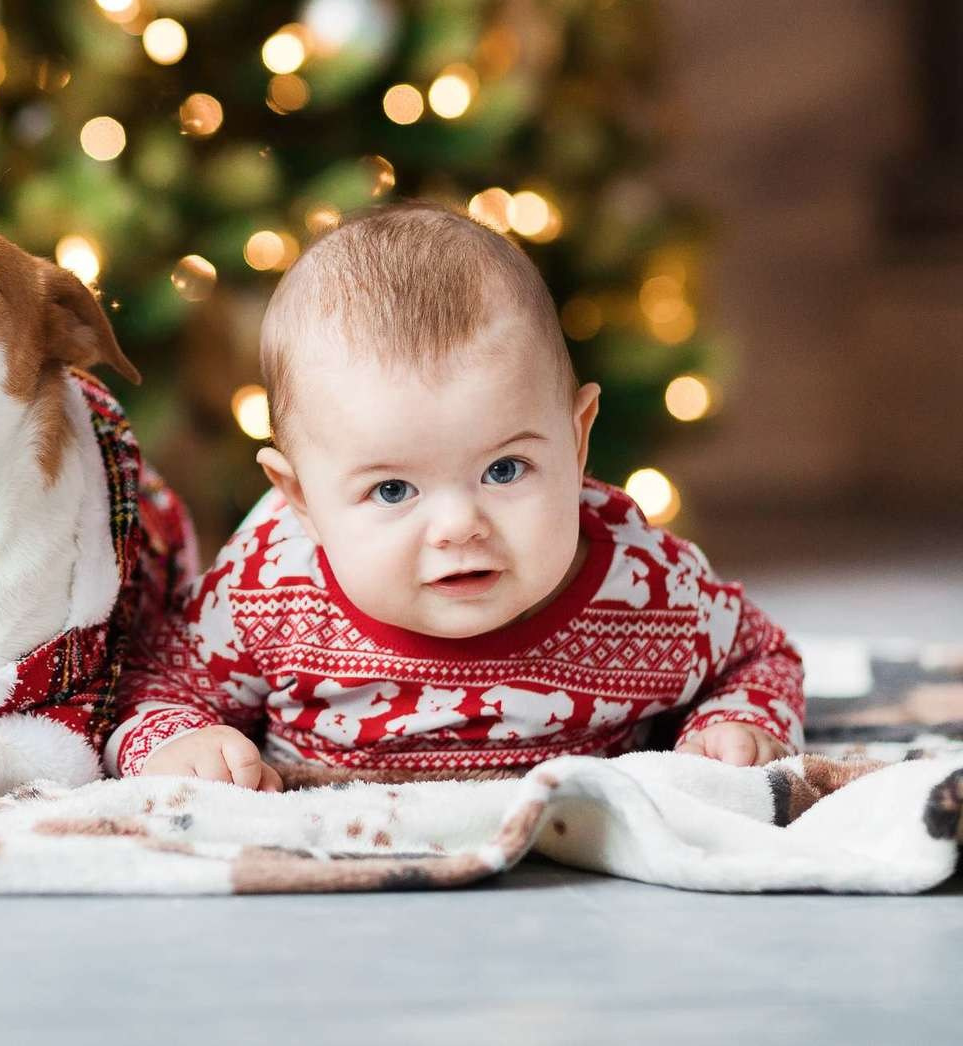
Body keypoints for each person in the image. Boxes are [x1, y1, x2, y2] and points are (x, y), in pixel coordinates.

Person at [111, 203, 803, 787]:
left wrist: (734, 721)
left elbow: (759, 656)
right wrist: (181, 742)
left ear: (578, 440)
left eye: (504, 470)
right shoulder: (268, 591)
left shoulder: (648, 590)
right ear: (301, 500)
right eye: (391, 489)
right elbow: (157, 681)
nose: (457, 526)